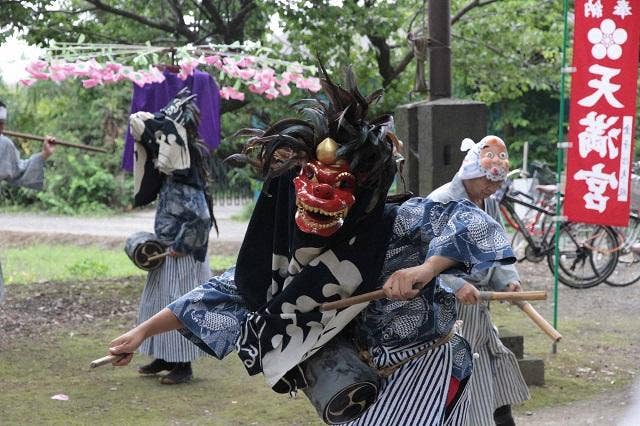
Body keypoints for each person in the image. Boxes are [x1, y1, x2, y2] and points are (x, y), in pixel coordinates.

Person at [105, 70, 515, 425]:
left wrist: (425, 270)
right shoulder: (280, 260)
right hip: (358, 382)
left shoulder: (393, 222)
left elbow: (469, 221)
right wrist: (140, 333)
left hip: (428, 368)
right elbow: (208, 297)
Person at [429, 135, 530, 426]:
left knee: (492, 374)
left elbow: (497, 251)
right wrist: (456, 284)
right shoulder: (440, 202)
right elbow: (422, 263)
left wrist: (509, 281)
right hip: (445, 312)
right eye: (486, 182)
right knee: (457, 383)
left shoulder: (488, 204)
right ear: (470, 174)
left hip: (479, 309)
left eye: (496, 184)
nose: (491, 188)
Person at [126, 89, 213, 384]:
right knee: (158, 304)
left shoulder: (187, 178)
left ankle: (183, 365)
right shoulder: (173, 174)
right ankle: (163, 356)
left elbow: (201, 217)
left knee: (180, 305)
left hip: (182, 254)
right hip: (166, 249)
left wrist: (181, 245)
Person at [0, 100, 56, 303]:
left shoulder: (3, 144)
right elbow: (18, 171)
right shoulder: (3, 143)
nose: (2, 130)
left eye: (2, 125)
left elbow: (18, 170)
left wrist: (43, 154)